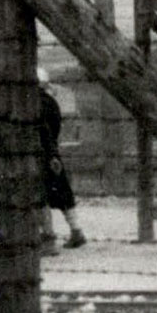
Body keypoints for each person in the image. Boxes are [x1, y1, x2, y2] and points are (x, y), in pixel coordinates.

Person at [38, 67, 87, 254]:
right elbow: (55, 128)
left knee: (40, 195)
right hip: (52, 153)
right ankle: (76, 230)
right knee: (62, 192)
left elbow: (43, 131)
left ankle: (47, 239)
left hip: (39, 154)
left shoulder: (32, 104)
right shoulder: (51, 102)